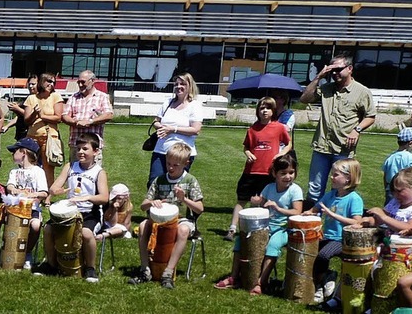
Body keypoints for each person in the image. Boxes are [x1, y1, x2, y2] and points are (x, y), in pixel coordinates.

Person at [215, 154, 303, 295]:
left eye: (291, 172)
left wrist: (278, 208)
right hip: (266, 225)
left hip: (284, 228)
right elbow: (262, 203)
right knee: (241, 240)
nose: (288, 176)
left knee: (273, 245)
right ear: (274, 174)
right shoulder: (269, 187)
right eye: (283, 173)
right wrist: (257, 201)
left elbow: (297, 212)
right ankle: (234, 276)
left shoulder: (295, 190)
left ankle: (262, 282)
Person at [299, 53, 376, 209]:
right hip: (322, 147)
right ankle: (311, 224)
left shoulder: (362, 91)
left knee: (339, 189)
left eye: (338, 69)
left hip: (343, 149)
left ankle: (334, 221)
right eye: (332, 70)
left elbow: (371, 116)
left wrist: (357, 130)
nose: (335, 73)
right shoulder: (326, 88)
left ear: (350, 69)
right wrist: (318, 77)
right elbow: (304, 99)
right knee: (314, 188)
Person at [128, 142, 203, 289]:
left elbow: (200, 208)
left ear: (186, 163)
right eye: (168, 163)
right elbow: (143, 206)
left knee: (182, 230)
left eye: (175, 165)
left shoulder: (190, 181)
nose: (170, 168)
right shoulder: (160, 179)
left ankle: (168, 272)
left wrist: (184, 199)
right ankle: (145, 269)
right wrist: (152, 202)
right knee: (143, 226)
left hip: (182, 220)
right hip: (158, 221)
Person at [35, 133, 109, 283]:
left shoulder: (99, 172)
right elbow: (55, 187)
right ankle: (51, 264)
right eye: (78, 149)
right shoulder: (70, 166)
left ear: (95, 151)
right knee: (48, 229)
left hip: (90, 212)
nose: (81, 152)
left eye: (85, 149)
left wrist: (86, 197)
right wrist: (56, 190)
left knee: (86, 233)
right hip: (70, 211)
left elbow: (104, 198)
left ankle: (90, 268)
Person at [0, 137, 47, 268]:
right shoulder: (14, 171)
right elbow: (10, 187)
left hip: (31, 209)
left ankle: (26, 253)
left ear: (24, 152)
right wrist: (14, 190)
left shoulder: (38, 172)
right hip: (13, 207)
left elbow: (44, 193)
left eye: (15, 151)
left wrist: (31, 194)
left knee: (35, 225)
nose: (12, 154)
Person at [224, 97, 292, 241]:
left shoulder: (279, 127)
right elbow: (247, 147)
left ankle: (260, 230)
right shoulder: (252, 129)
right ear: (257, 111)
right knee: (241, 199)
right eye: (262, 108)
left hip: (268, 172)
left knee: (264, 202)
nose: (264, 111)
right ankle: (232, 229)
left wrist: (280, 154)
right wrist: (248, 154)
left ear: (273, 111)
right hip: (250, 171)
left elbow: (288, 143)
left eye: (268, 108)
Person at [301, 158, 364, 304]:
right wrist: (307, 213)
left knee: (323, 255)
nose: (331, 177)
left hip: (342, 239)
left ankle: (325, 281)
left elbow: (357, 222)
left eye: (336, 175)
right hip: (326, 236)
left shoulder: (354, 199)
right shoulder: (330, 195)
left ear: (348, 178)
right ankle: (322, 283)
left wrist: (333, 215)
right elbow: (315, 209)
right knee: (310, 254)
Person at [146, 73, 203, 188]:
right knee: (154, 183)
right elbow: (156, 121)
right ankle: (155, 205)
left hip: (182, 153)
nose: (178, 86)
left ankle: (176, 205)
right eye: (176, 84)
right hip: (161, 150)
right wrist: (161, 128)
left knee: (175, 185)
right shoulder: (168, 103)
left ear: (190, 86)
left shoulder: (195, 106)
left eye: (182, 84)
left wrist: (173, 129)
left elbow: (196, 129)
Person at [24, 73, 63, 202]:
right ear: (41, 82)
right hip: (32, 136)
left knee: (48, 167)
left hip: (49, 136)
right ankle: (31, 192)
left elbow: (58, 117)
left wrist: (42, 116)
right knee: (30, 165)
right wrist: (35, 113)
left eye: (53, 82)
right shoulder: (31, 98)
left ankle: (48, 196)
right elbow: (26, 120)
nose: (51, 85)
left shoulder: (56, 97)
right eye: (48, 82)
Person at [62, 70, 113, 164]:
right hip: (76, 145)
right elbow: (64, 116)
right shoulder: (73, 97)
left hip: (93, 147)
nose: (80, 85)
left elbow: (109, 115)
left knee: (92, 175)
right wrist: (75, 122)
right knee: (74, 175)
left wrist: (90, 121)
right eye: (78, 82)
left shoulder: (102, 97)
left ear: (92, 81)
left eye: (83, 82)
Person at [382, 127, 412, 204]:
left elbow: (385, 176)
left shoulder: (390, 157)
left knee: (389, 210)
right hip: (405, 190)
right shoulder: (411, 157)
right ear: (410, 143)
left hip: (391, 190)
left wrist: (387, 189)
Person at [2, 75, 34, 140]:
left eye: (33, 84)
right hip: (21, 134)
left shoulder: (39, 99)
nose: (30, 86)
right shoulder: (28, 98)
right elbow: (19, 117)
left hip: (30, 134)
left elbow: (32, 115)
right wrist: (7, 126)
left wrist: (17, 109)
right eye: (29, 84)